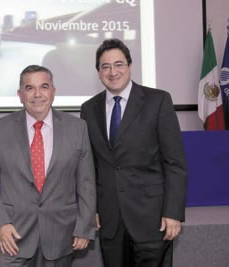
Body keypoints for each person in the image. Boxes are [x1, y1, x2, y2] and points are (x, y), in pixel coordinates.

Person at [80, 38, 188, 267]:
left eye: (118, 64)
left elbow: (175, 162)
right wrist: (93, 208)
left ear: (129, 66)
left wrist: (173, 212)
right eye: (105, 66)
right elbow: (91, 166)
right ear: (98, 72)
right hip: (110, 219)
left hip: (152, 217)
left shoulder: (158, 100)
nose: (112, 72)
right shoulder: (89, 109)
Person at [0, 65, 96, 266]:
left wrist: (84, 227)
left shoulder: (77, 128)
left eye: (44, 86)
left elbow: (86, 182)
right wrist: (0, 224)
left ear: (53, 91)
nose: (37, 94)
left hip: (61, 236)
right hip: (12, 237)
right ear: (20, 94)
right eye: (29, 88)